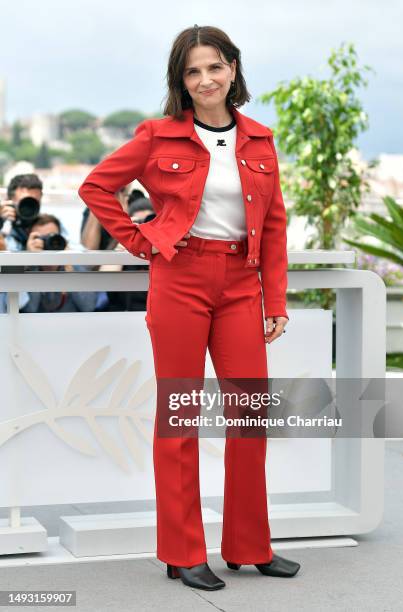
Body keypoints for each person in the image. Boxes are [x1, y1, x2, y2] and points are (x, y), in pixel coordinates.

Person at [78, 24, 299, 591]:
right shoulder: (158, 136)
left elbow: (273, 227)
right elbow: (97, 188)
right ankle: (182, 551)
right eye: (193, 71)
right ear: (182, 81)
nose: (205, 79)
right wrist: (141, 240)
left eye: (214, 67)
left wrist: (274, 300)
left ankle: (250, 545)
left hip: (241, 287)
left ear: (232, 69)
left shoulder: (260, 140)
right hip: (179, 279)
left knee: (249, 416)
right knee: (180, 416)